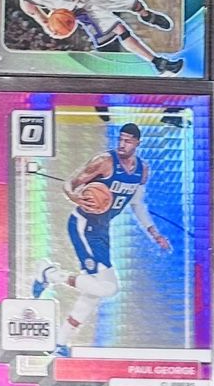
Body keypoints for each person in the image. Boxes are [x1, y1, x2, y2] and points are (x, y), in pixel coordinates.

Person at [33, 123, 172, 341]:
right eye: (120, 139)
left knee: (96, 290)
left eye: (128, 141)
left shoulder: (142, 170)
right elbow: (70, 183)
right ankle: (50, 274)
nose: (122, 144)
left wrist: (155, 235)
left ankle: (60, 340)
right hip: (83, 225)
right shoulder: (104, 161)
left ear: (137, 143)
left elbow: (137, 205)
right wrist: (74, 196)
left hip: (101, 230)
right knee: (108, 289)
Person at [0, 0, 182, 75]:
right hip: (81, 9)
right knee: (120, 30)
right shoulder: (27, 2)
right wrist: (56, 30)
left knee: (133, 3)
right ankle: (158, 62)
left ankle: (147, 15)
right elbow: (45, 24)